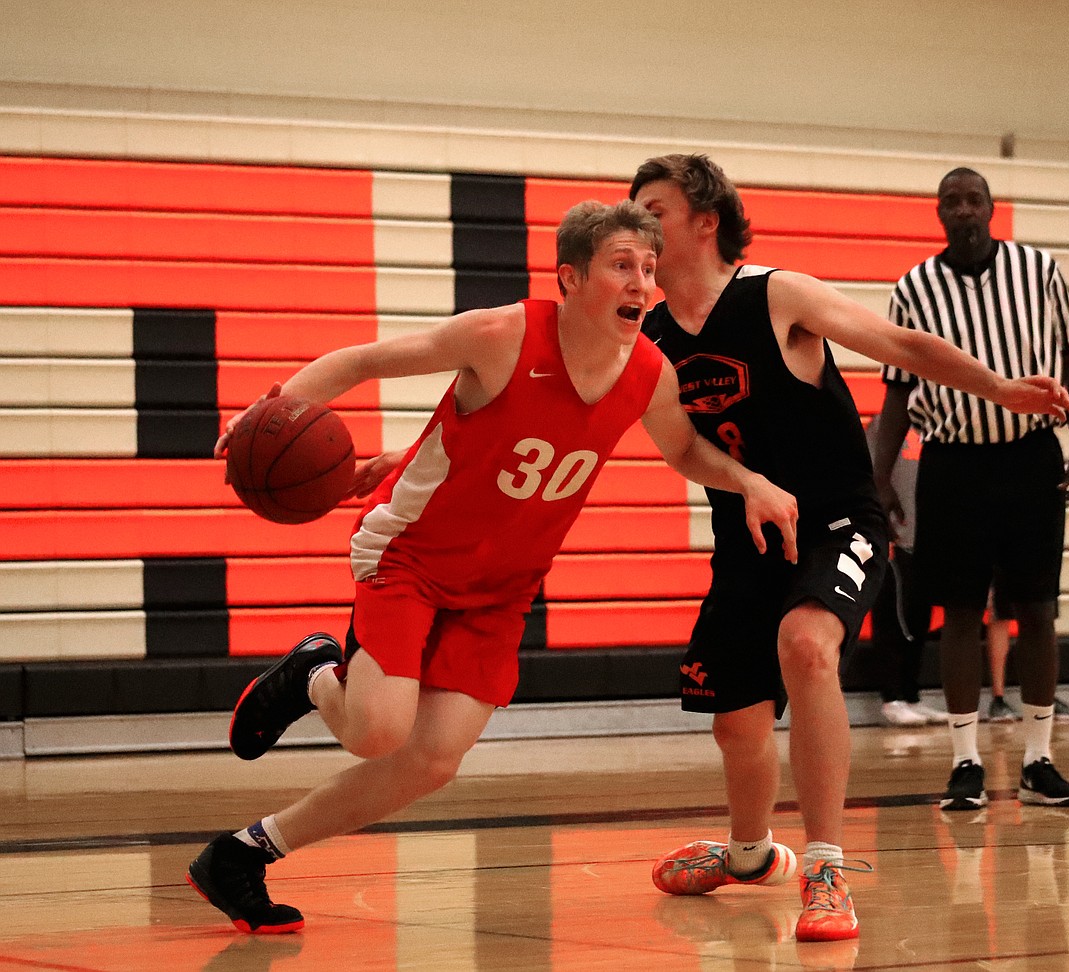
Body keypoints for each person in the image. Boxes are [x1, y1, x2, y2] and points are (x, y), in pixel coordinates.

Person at [186, 199, 803, 934]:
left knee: (431, 761)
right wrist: (265, 415)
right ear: (570, 279)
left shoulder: (648, 372)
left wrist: (751, 481)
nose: (641, 283)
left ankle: (243, 854)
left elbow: (684, 451)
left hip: (502, 589)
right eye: (621, 266)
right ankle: (315, 674)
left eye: (647, 267)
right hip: (411, 554)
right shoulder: (501, 335)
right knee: (378, 731)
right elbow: (361, 361)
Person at [628, 154, 1069, 944]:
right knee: (736, 725)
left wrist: (1001, 389)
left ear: (705, 221)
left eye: (654, 209)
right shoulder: (652, 336)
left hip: (837, 520)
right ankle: (750, 855)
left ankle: (828, 869)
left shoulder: (776, 296)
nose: (642, 226)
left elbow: (901, 343)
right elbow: (681, 450)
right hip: (748, 538)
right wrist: (747, 484)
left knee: (807, 644)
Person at [872, 167, 1069, 813]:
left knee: (1037, 609)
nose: (964, 210)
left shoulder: (1039, 269)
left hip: (1030, 457)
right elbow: (896, 393)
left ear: (991, 209)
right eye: (952, 201)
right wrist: (882, 477)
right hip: (952, 464)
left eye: (974, 199)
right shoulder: (914, 287)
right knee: (962, 614)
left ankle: (1039, 760)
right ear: (939, 213)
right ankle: (965, 762)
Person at [863, 417, 947, 727]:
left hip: (926, 542)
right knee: (891, 618)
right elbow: (869, 476)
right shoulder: (882, 428)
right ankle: (892, 697)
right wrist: (883, 528)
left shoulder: (935, 427)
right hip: (894, 539)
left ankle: (911, 695)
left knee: (919, 619)